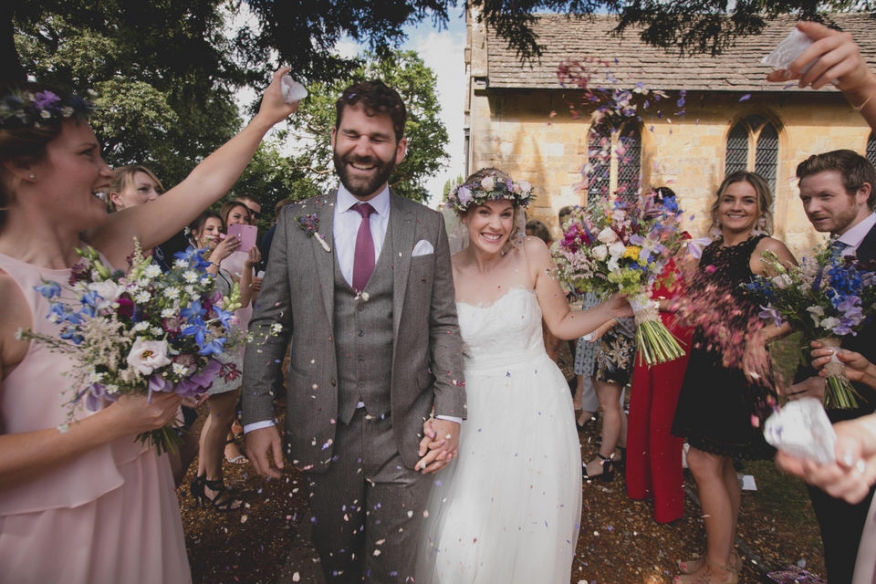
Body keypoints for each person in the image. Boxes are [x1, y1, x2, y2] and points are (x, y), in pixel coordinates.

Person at [0, 71, 297, 582]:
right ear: (24, 166)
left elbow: (202, 185)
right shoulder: (7, 289)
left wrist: (266, 117)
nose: (105, 169)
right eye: (88, 154)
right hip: (55, 537)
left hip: (139, 501)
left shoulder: (108, 245)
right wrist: (113, 424)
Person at [241, 79, 466, 584]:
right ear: (335, 139)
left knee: (393, 571)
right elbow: (268, 324)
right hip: (323, 430)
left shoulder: (427, 226)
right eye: (352, 134)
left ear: (400, 148)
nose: (363, 149)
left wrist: (450, 411)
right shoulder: (297, 222)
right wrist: (256, 416)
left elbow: (443, 323)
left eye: (379, 137)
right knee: (335, 567)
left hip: (405, 433)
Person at [415, 168, 632, 583]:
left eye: (505, 213)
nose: (496, 225)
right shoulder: (447, 269)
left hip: (534, 403)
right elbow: (436, 349)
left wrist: (612, 308)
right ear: (464, 216)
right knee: (463, 521)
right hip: (472, 405)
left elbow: (562, 323)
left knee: (528, 520)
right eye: (484, 212)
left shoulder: (533, 251)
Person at [766, 25, 876, 583]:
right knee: (837, 535)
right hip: (832, 413)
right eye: (806, 197)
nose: (811, 207)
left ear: (863, 192)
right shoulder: (833, 253)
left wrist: (860, 85)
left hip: (867, 424)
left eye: (825, 196)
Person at [671, 171, 796, 584]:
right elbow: (702, 308)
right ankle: (720, 559)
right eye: (729, 199)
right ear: (718, 205)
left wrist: (763, 335)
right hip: (706, 364)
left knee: (702, 460)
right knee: (720, 464)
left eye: (746, 200)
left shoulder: (766, 249)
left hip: (737, 369)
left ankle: (720, 569)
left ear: (761, 208)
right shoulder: (710, 253)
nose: (736, 207)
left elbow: (801, 307)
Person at [107, 163, 199, 485]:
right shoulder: (105, 249)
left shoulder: (162, 249)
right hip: (125, 383)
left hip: (167, 368)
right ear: (115, 197)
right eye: (143, 189)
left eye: (157, 189)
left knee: (186, 446)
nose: (154, 196)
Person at [625, 187, 694, 523]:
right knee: (641, 409)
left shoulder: (687, 248)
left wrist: (653, 304)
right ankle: (640, 486)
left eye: (662, 215)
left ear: (674, 214)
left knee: (664, 418)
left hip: (677, 337)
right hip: (647, 333)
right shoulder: (640, 250)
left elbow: (696, 302)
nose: (658, 223)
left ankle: (668, 501)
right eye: (651, 217)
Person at [186, 211, 256, 511]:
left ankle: (204, 478)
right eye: (210, 228)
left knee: (220, 418)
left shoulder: (222, 268)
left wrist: (248, 267)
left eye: (220, 229)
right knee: (219, 420)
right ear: (195, 234)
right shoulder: (191, 264)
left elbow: (240, 302)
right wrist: (214, 258)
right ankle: (213, 485)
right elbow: (195, 298)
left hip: (226, 348)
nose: (216, 233)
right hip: (212, 352)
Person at [108, 164, 189, 272]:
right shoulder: (98, 248)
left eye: (158, 190)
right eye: (143, 189)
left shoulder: (170, 241)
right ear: (117, 198)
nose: (156, 197)